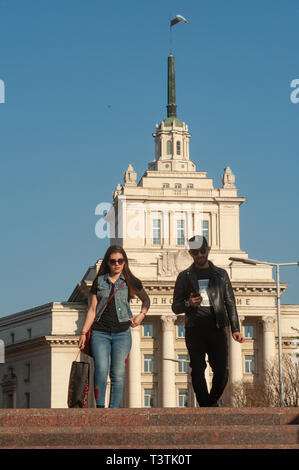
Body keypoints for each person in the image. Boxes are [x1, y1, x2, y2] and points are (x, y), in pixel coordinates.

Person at [172, 235, 244, 407]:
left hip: (217, 326)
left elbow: (230, 302)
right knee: (197, 369)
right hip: (194, 328)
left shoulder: (221, 274)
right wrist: (189, 303)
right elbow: (175, 307)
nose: (199, 255)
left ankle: (209, 403)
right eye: (195, 252)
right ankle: (206, 407)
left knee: (222, 371)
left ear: (208, 250)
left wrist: (235, 328)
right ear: (190, 253)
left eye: (202, 251)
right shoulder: (184, 276)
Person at [78, 245, 150, 408]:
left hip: (122, 333)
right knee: (101, 370)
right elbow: (92, 309)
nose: (116, 264)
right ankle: (101, 407)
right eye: (113, 261)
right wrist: (83, 332)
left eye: (120, 261)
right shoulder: (99, 281)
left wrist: (141, 315)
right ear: (108, 263)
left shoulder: (130, 281)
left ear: (124, 262)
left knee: (118, 373)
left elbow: (146, 300)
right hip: (100, 333)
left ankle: (114, 410)